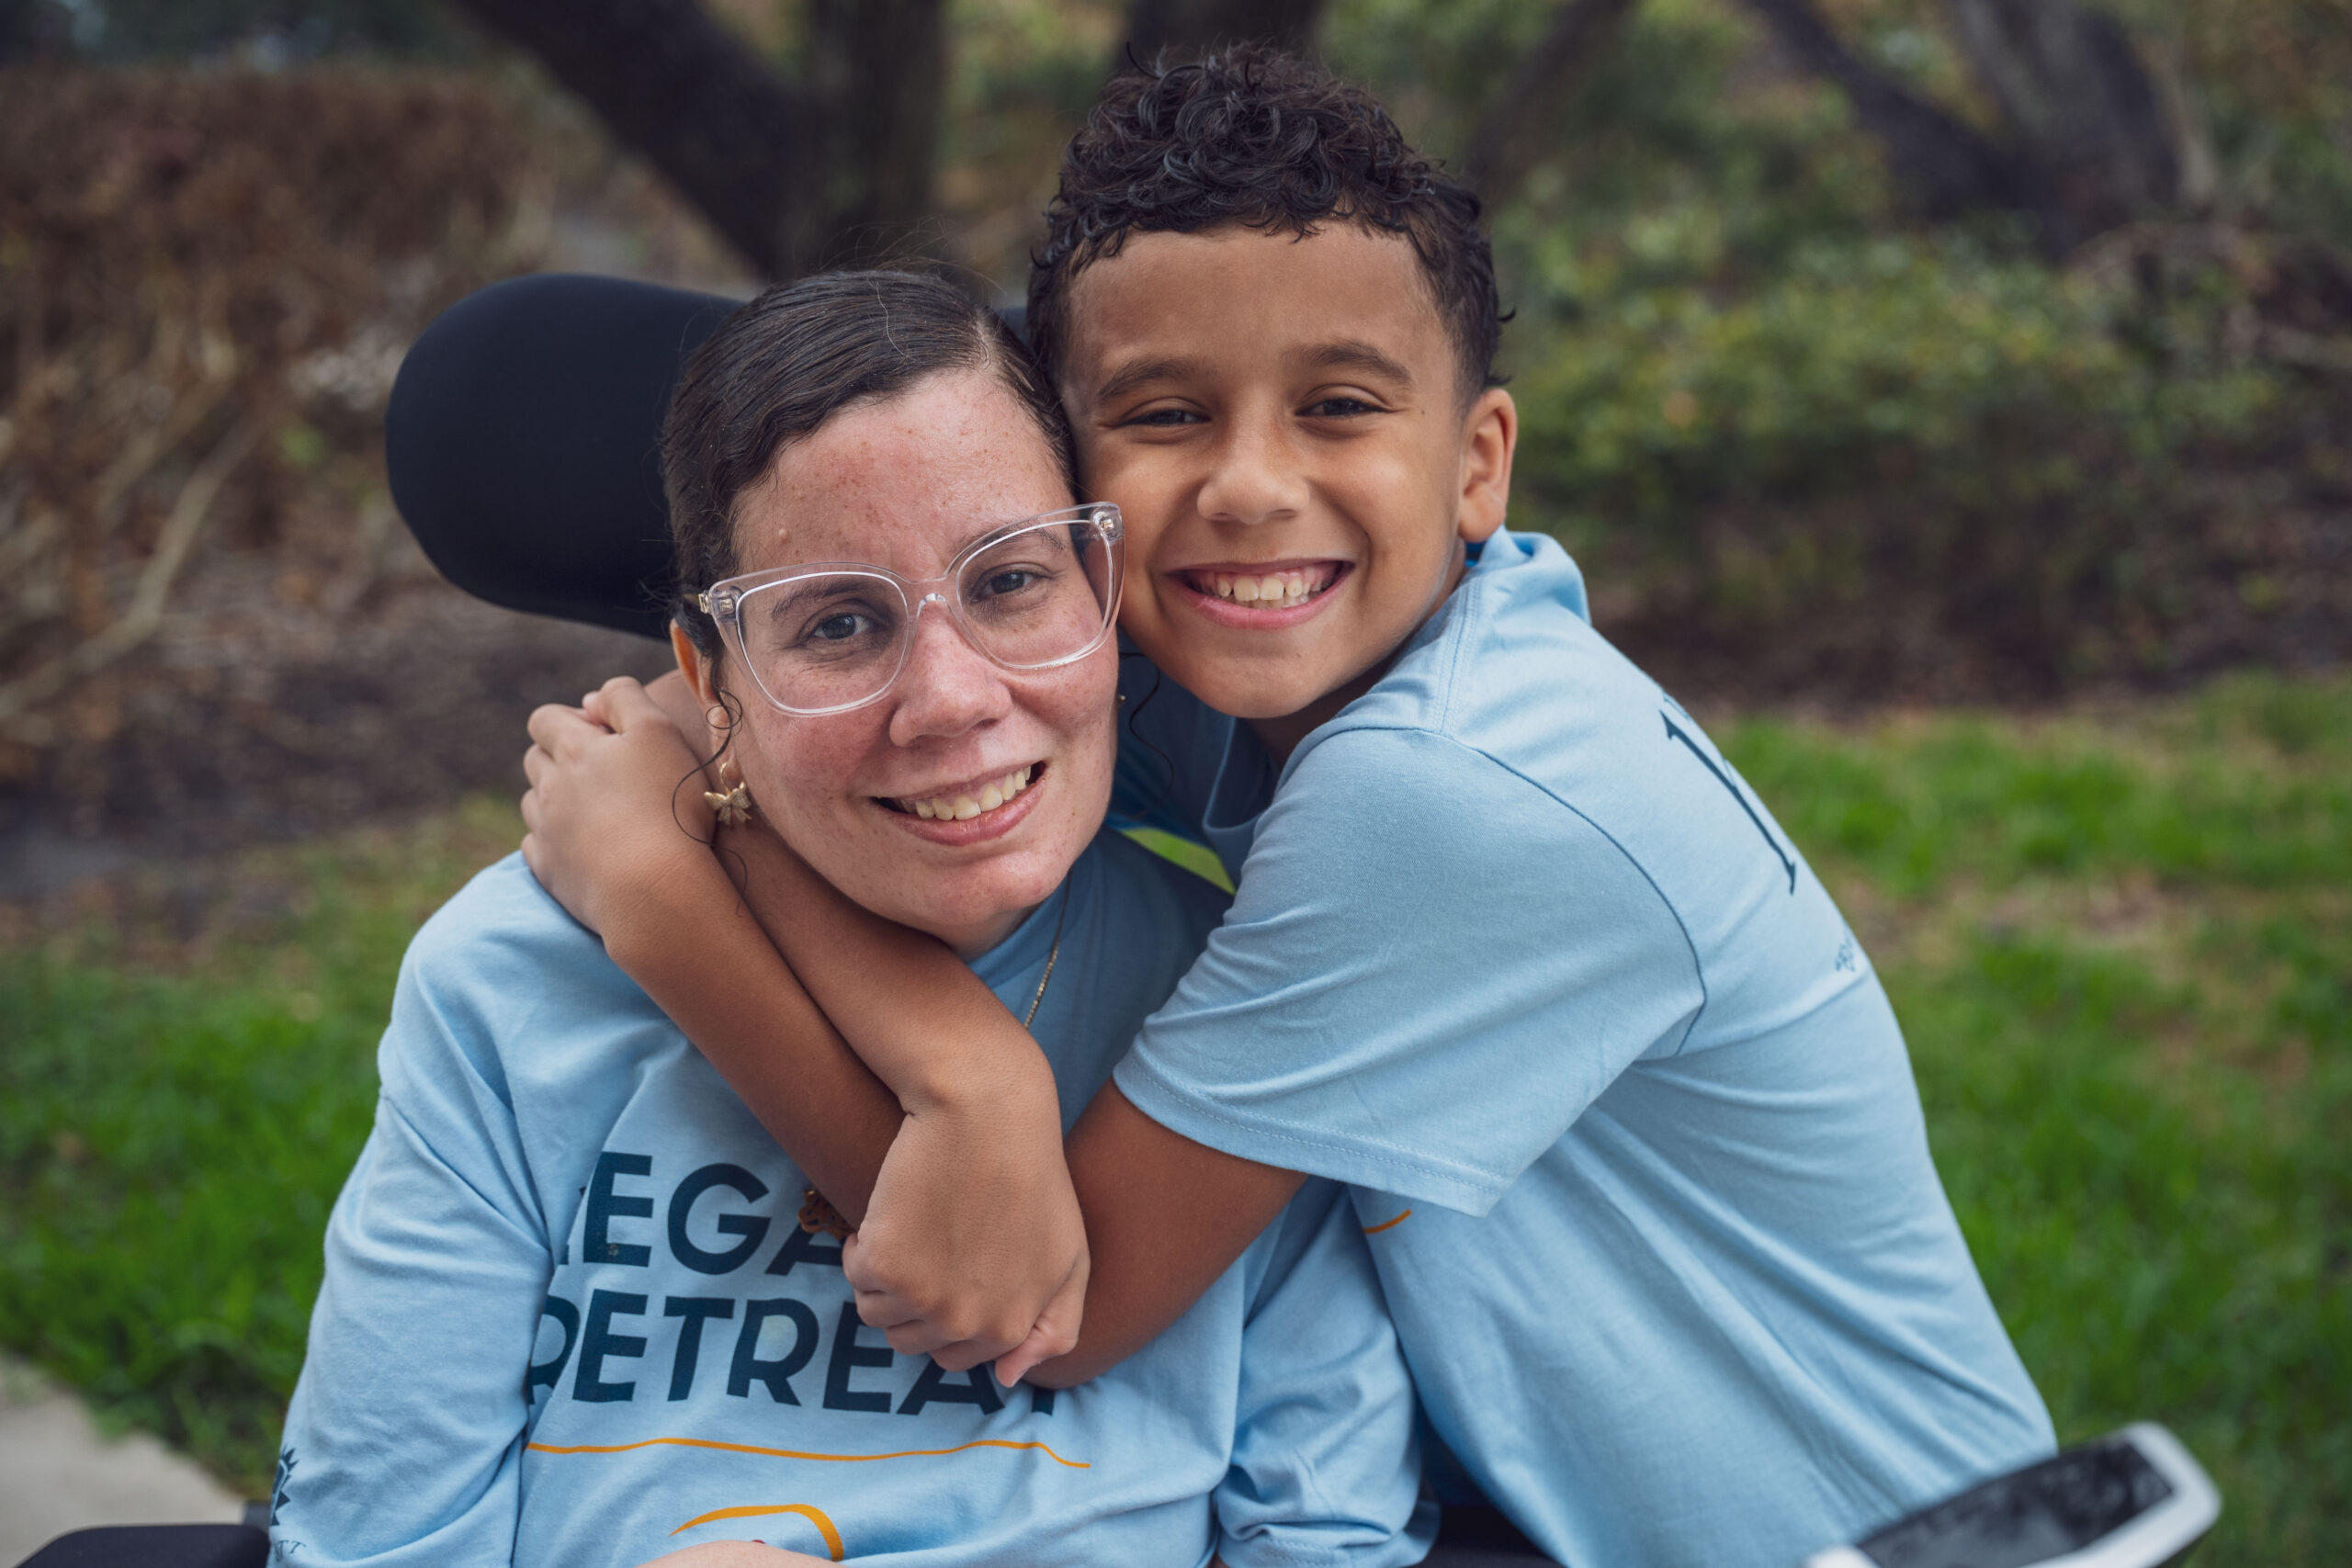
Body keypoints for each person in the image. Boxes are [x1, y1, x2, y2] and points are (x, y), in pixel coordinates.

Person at [513, 51, 2055, 1568]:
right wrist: (929, 1020)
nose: (1251, 487)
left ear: (1477, 465)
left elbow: (1050, 1300)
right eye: (1166, 413)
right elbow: (828, 731)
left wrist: (675, 905)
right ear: (1072, 470)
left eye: (1336, 405)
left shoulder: (1453, 790)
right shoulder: (1258, 663)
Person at [272, 269, 1432, 1568]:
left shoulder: (1236, 986)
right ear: (712, 679)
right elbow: (366, 1543)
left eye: (1010, 584)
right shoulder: (507, 988)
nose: (948, 700)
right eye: (836, 622)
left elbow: (1329, 1539)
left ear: (1105, 586)